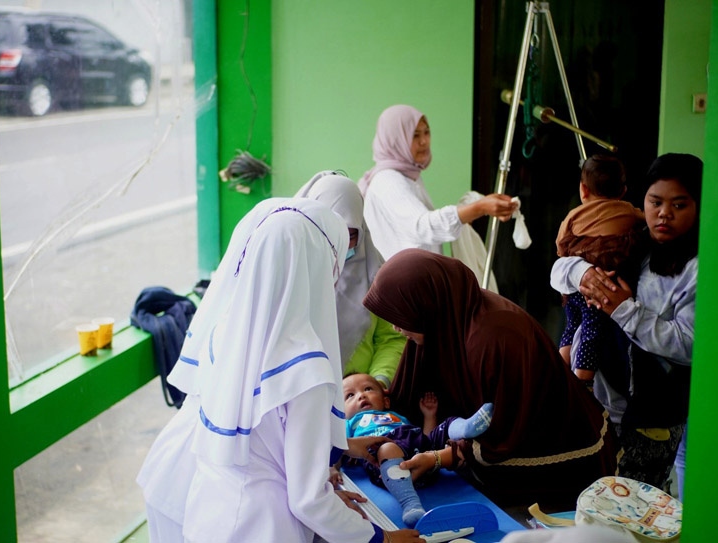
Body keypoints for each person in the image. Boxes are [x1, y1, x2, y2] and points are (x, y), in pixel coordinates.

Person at [136, 197, 423, 543]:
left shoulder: (228, 332)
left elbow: (264, 438)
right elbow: (307, 500)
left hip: (209, 513)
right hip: (265, 526)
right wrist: (383, 539)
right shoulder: (307, 366)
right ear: (315, 265)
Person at [362, 249, 618, 508]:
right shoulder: (446, 319)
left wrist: (439, 458)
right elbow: (409, 399)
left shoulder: (495, 340)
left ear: (426, 303)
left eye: (402, 318)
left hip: (557, 465)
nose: (396, 328)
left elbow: (505, 432)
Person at [551, 153, 701, 496]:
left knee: (635, 511)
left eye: (679, 204)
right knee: (597, 505)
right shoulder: (632, 237)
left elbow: (689, 345)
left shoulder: (697, 267)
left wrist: (625, 310)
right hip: (606, 405)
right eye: (655, 201)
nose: (664, 213)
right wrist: (582, 272)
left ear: (698, 206)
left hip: (652, 417)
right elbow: (559, 270)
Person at [359, 104, 517, 261]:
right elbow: (422, 227)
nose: (423, 141)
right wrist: (479, 208)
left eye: (426, 132)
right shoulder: (388, 181)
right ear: (395, 140)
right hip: (404, 283)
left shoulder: (410, 177)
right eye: (415, 135)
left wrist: (470, 211)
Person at [296, 171, 406, 389]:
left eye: (351, 235)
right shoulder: (291, 273)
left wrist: (377, 382)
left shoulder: (376, 275)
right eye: (332, 233)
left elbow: (391, 338)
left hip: (356, 405)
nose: (341, 244)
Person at [343, 372, 494, 527]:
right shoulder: (348, 424)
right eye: (350, 395)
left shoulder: (396, 417)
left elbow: (425, 440)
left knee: (446, 425)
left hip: (420, 452)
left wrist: (429, 416)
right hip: (386, 461)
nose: (361, 396)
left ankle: (466, 428)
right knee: (387, 448)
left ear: (386, 402)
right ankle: (410, 504)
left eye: (368, 389)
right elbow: (336, 446)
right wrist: (331, 468)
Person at [555, 154, 645, 383]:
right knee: (591, 334)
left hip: (575, 289)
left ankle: (560, 370)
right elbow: (645, 225)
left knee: (572, 325)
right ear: (623, 190)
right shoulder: (629, 212)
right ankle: (583, 383)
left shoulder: (574, 215)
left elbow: (561, 245)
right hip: (602, 289)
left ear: (583, 190)